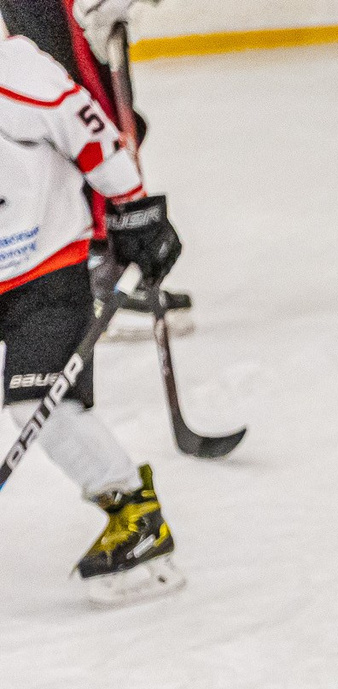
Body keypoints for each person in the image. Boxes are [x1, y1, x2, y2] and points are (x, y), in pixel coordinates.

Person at [0, 18, 181, 605]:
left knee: (40, 404)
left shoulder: (16, 71)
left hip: (46, 268)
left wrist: (134, 208)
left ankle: (135, 514)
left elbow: (90, 129)